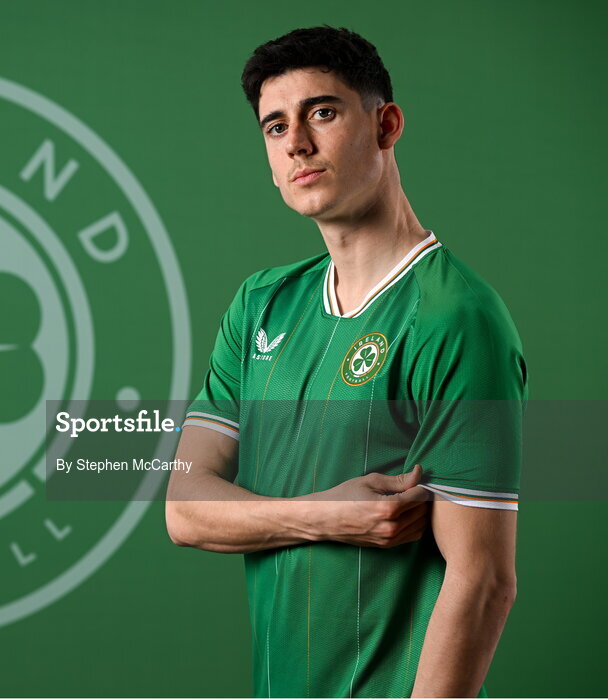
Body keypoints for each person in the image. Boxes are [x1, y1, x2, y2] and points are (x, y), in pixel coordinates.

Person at [165, 26, 527, 698]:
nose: (297, 142)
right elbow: (186, 508)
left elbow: (484, 583)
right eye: (276, 127)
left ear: (386, 124)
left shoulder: (456, 319)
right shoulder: (261, 304)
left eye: (322, 113)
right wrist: (326, 516)